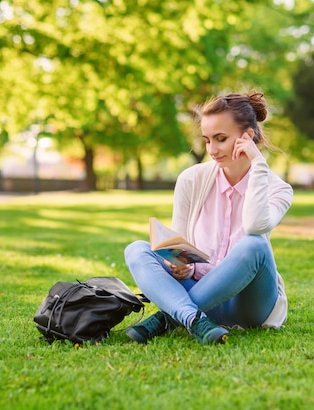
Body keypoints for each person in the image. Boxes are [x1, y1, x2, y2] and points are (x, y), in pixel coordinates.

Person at [124, 91, 293, 345]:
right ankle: (194, 319)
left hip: (249, 303)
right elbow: (178, 245)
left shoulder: (278, 189)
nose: (212, 150)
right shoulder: (191, 179)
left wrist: (258, 163)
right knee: (136, 249)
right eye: (206, 140)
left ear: (246, 137)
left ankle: (169, 318)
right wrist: (179, 266)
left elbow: (256, 226)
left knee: (254, 243)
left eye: (220, 139)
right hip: (200, 293)